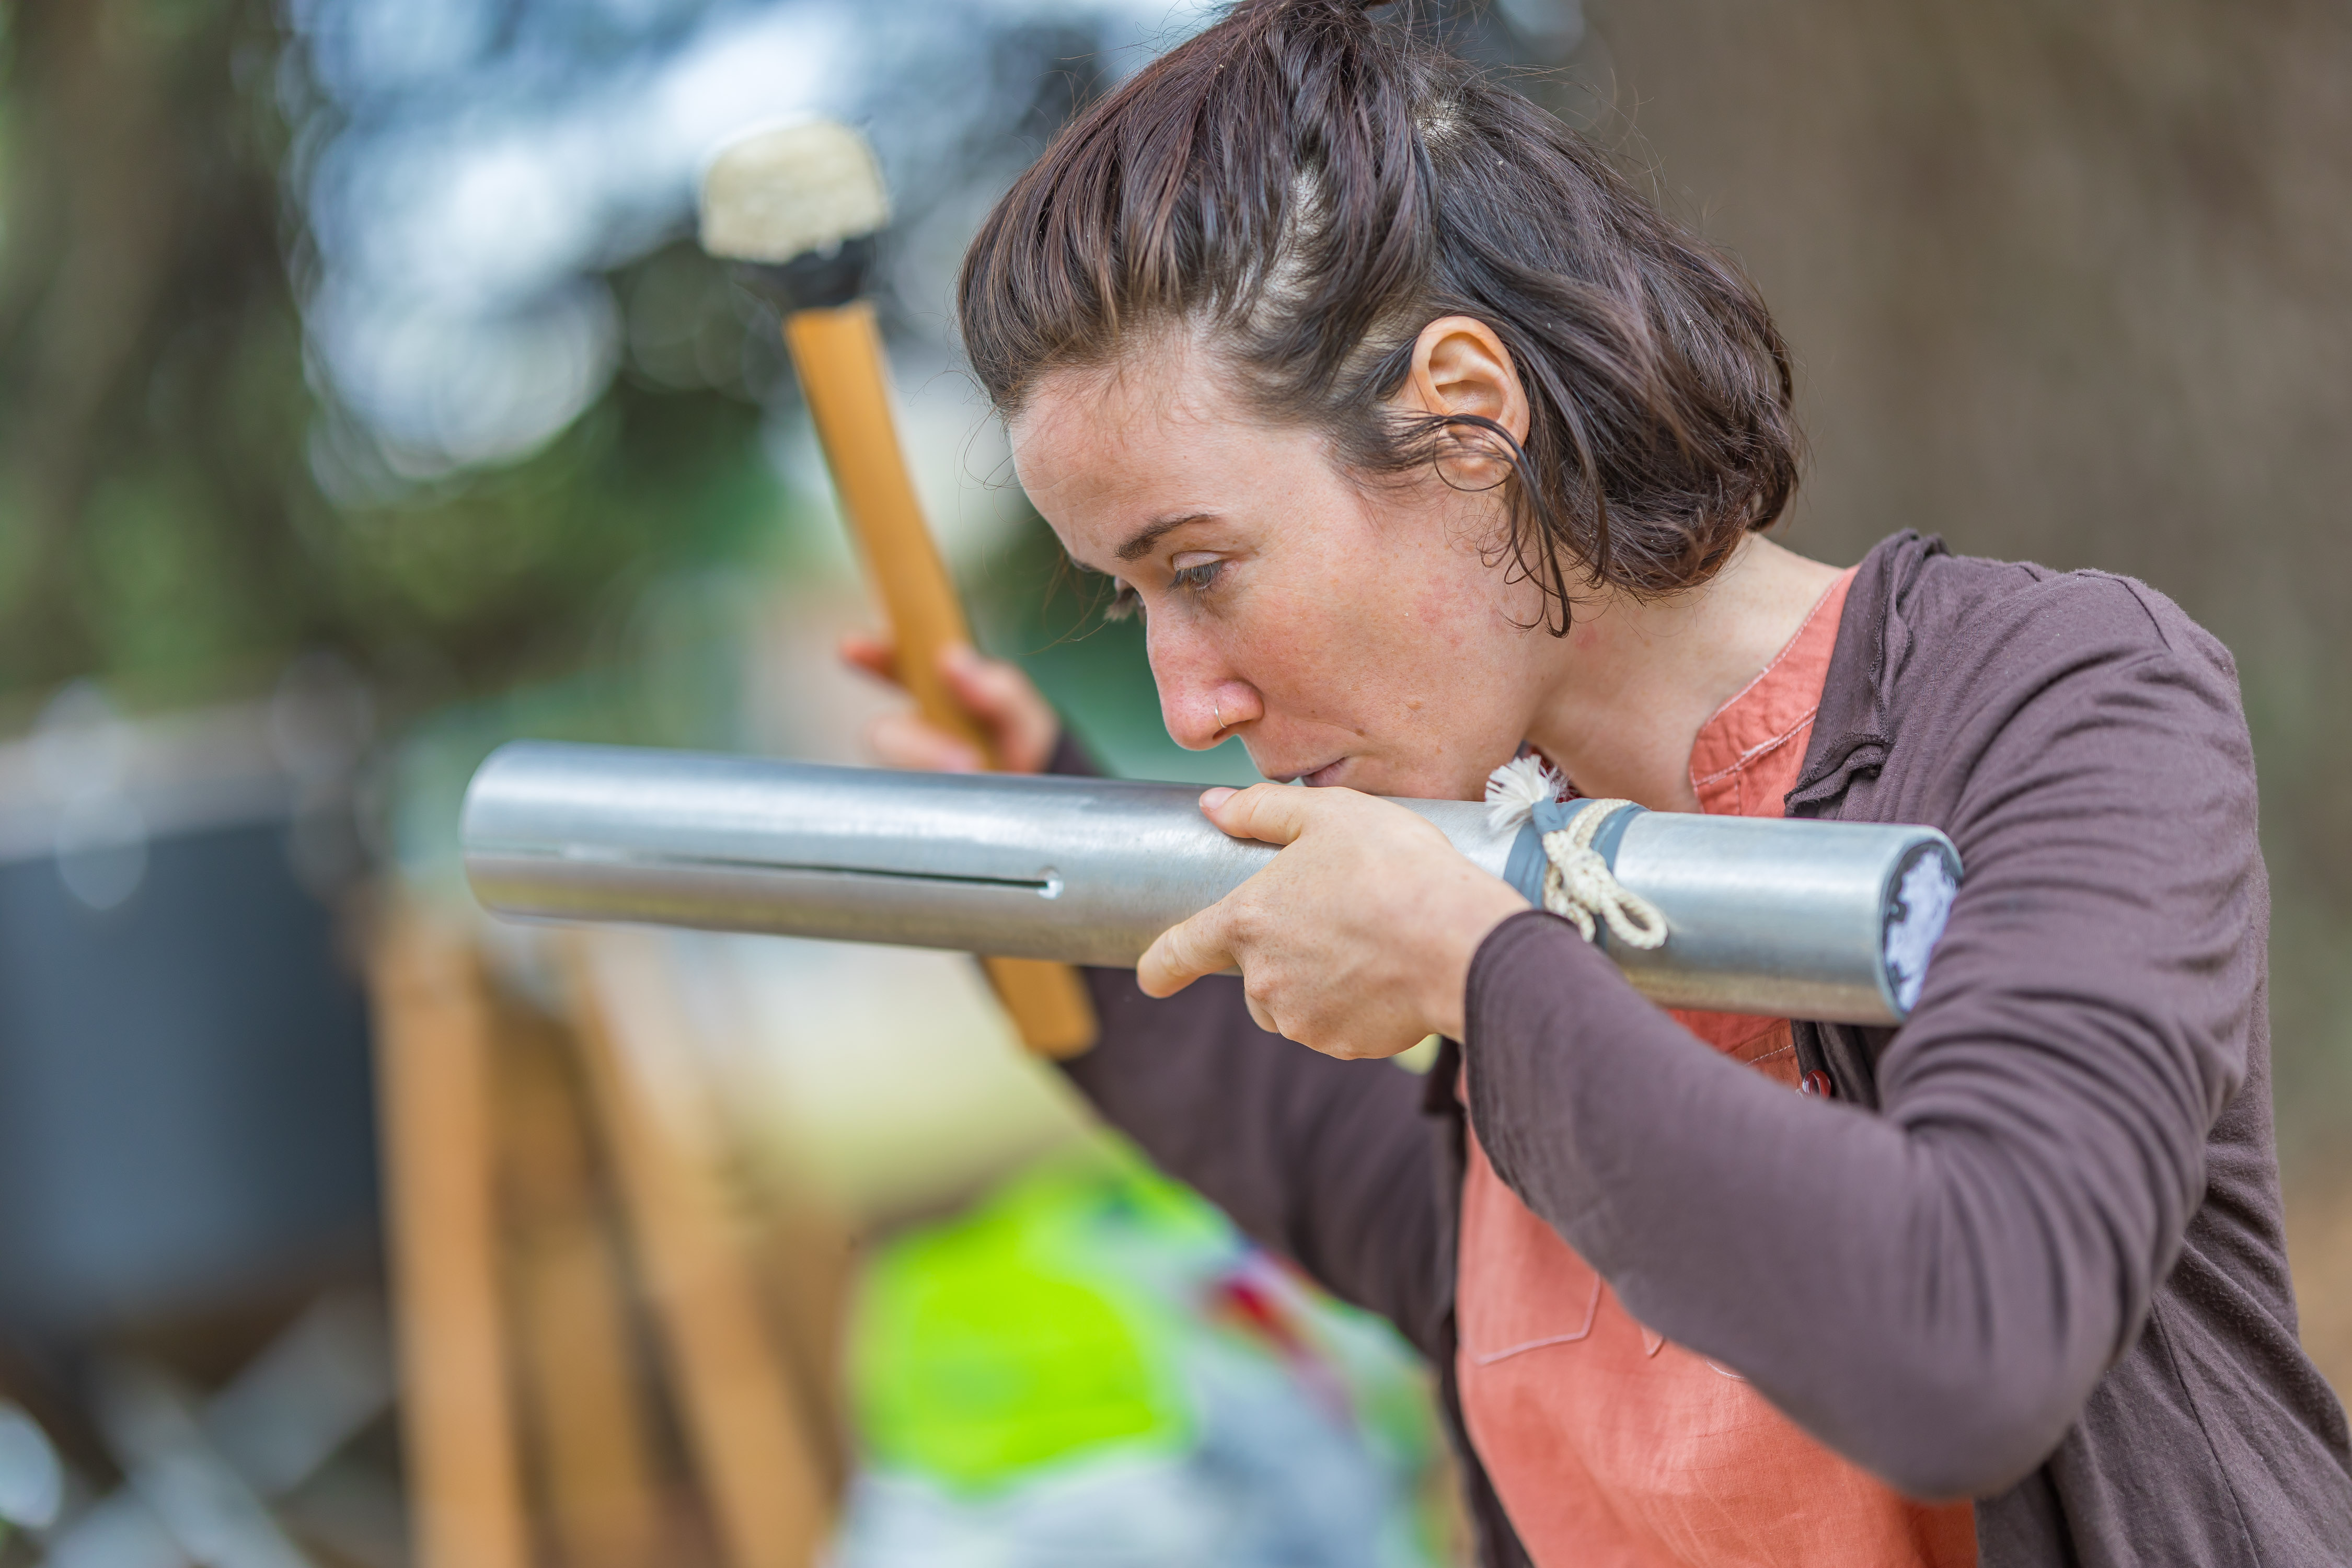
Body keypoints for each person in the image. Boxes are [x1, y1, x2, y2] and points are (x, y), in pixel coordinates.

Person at [842, 2, 2352, 1563]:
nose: (1185, 697)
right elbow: (1408, 1213)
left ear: (1461, 415)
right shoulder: (1507, 831)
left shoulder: (2064, 692)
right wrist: (1031, 819)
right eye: (1127, 596)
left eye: (1202, 566)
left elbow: (1972, 1336)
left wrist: (1472, 970)